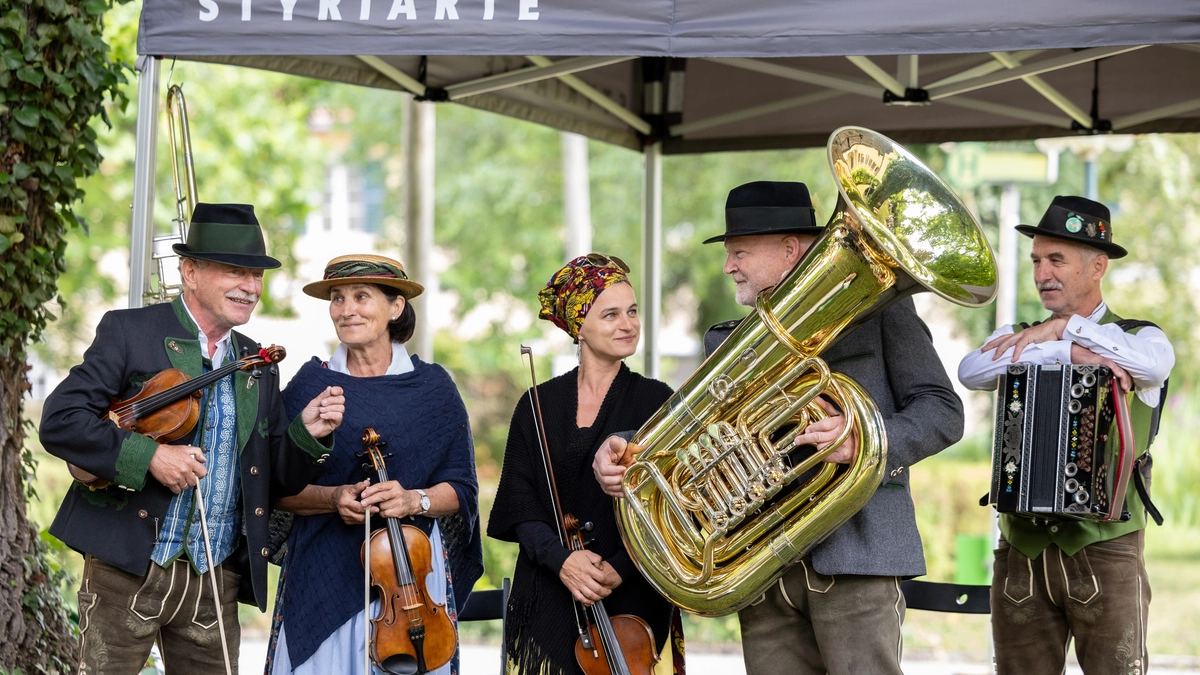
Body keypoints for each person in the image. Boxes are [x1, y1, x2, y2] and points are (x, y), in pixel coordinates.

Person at [593, 181, 964, 675]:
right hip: (761, 569)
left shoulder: (882, 313)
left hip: (857, 553)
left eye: (740, 252)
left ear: (790, 249)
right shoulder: (729, 341)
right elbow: (693, 434)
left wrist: (866, 442)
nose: (729, 266)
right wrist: (625, 448)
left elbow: (943, 410)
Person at [40, 203, 344, 675]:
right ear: (190, 271)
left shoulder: (257, 363)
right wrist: (150, 456)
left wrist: (308, 433)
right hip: (128, 565)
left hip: (214, 576)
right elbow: (61, 420)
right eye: (234, 271)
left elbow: (275, 479)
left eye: (256, 275)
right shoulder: (131, 331)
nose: (250, 287)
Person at [957, 195, 1173, 675]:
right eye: (1036, 260)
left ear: (1098, 266)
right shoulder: (1021, 332)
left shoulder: (1141, 338)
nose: (1041, 273)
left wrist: (1066, 330)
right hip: (1021, 548)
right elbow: (971, 371)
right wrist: (1068, 353)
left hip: (1107, 547)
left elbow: (1153, 367)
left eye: (1056, 260)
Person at [265, 253, 483, 675]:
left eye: (361, 296)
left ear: (395, 306)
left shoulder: (433, 388)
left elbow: (462, 489)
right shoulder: (310, 385)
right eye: (337, 298)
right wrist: (332, 499)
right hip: (321, 576)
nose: (346, 310)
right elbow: (275, 490)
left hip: (412, 588)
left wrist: (413, 499)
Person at [488, 254, 681, 675]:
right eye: (610, 314)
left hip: (633, 595)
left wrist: (619, 568)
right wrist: (562, 561)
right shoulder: (537, 403)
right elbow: (520, 504)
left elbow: (674, 504)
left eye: (632, 311)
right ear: (578, 326)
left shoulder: (658, 400)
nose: (628, 324)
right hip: (549, 591)